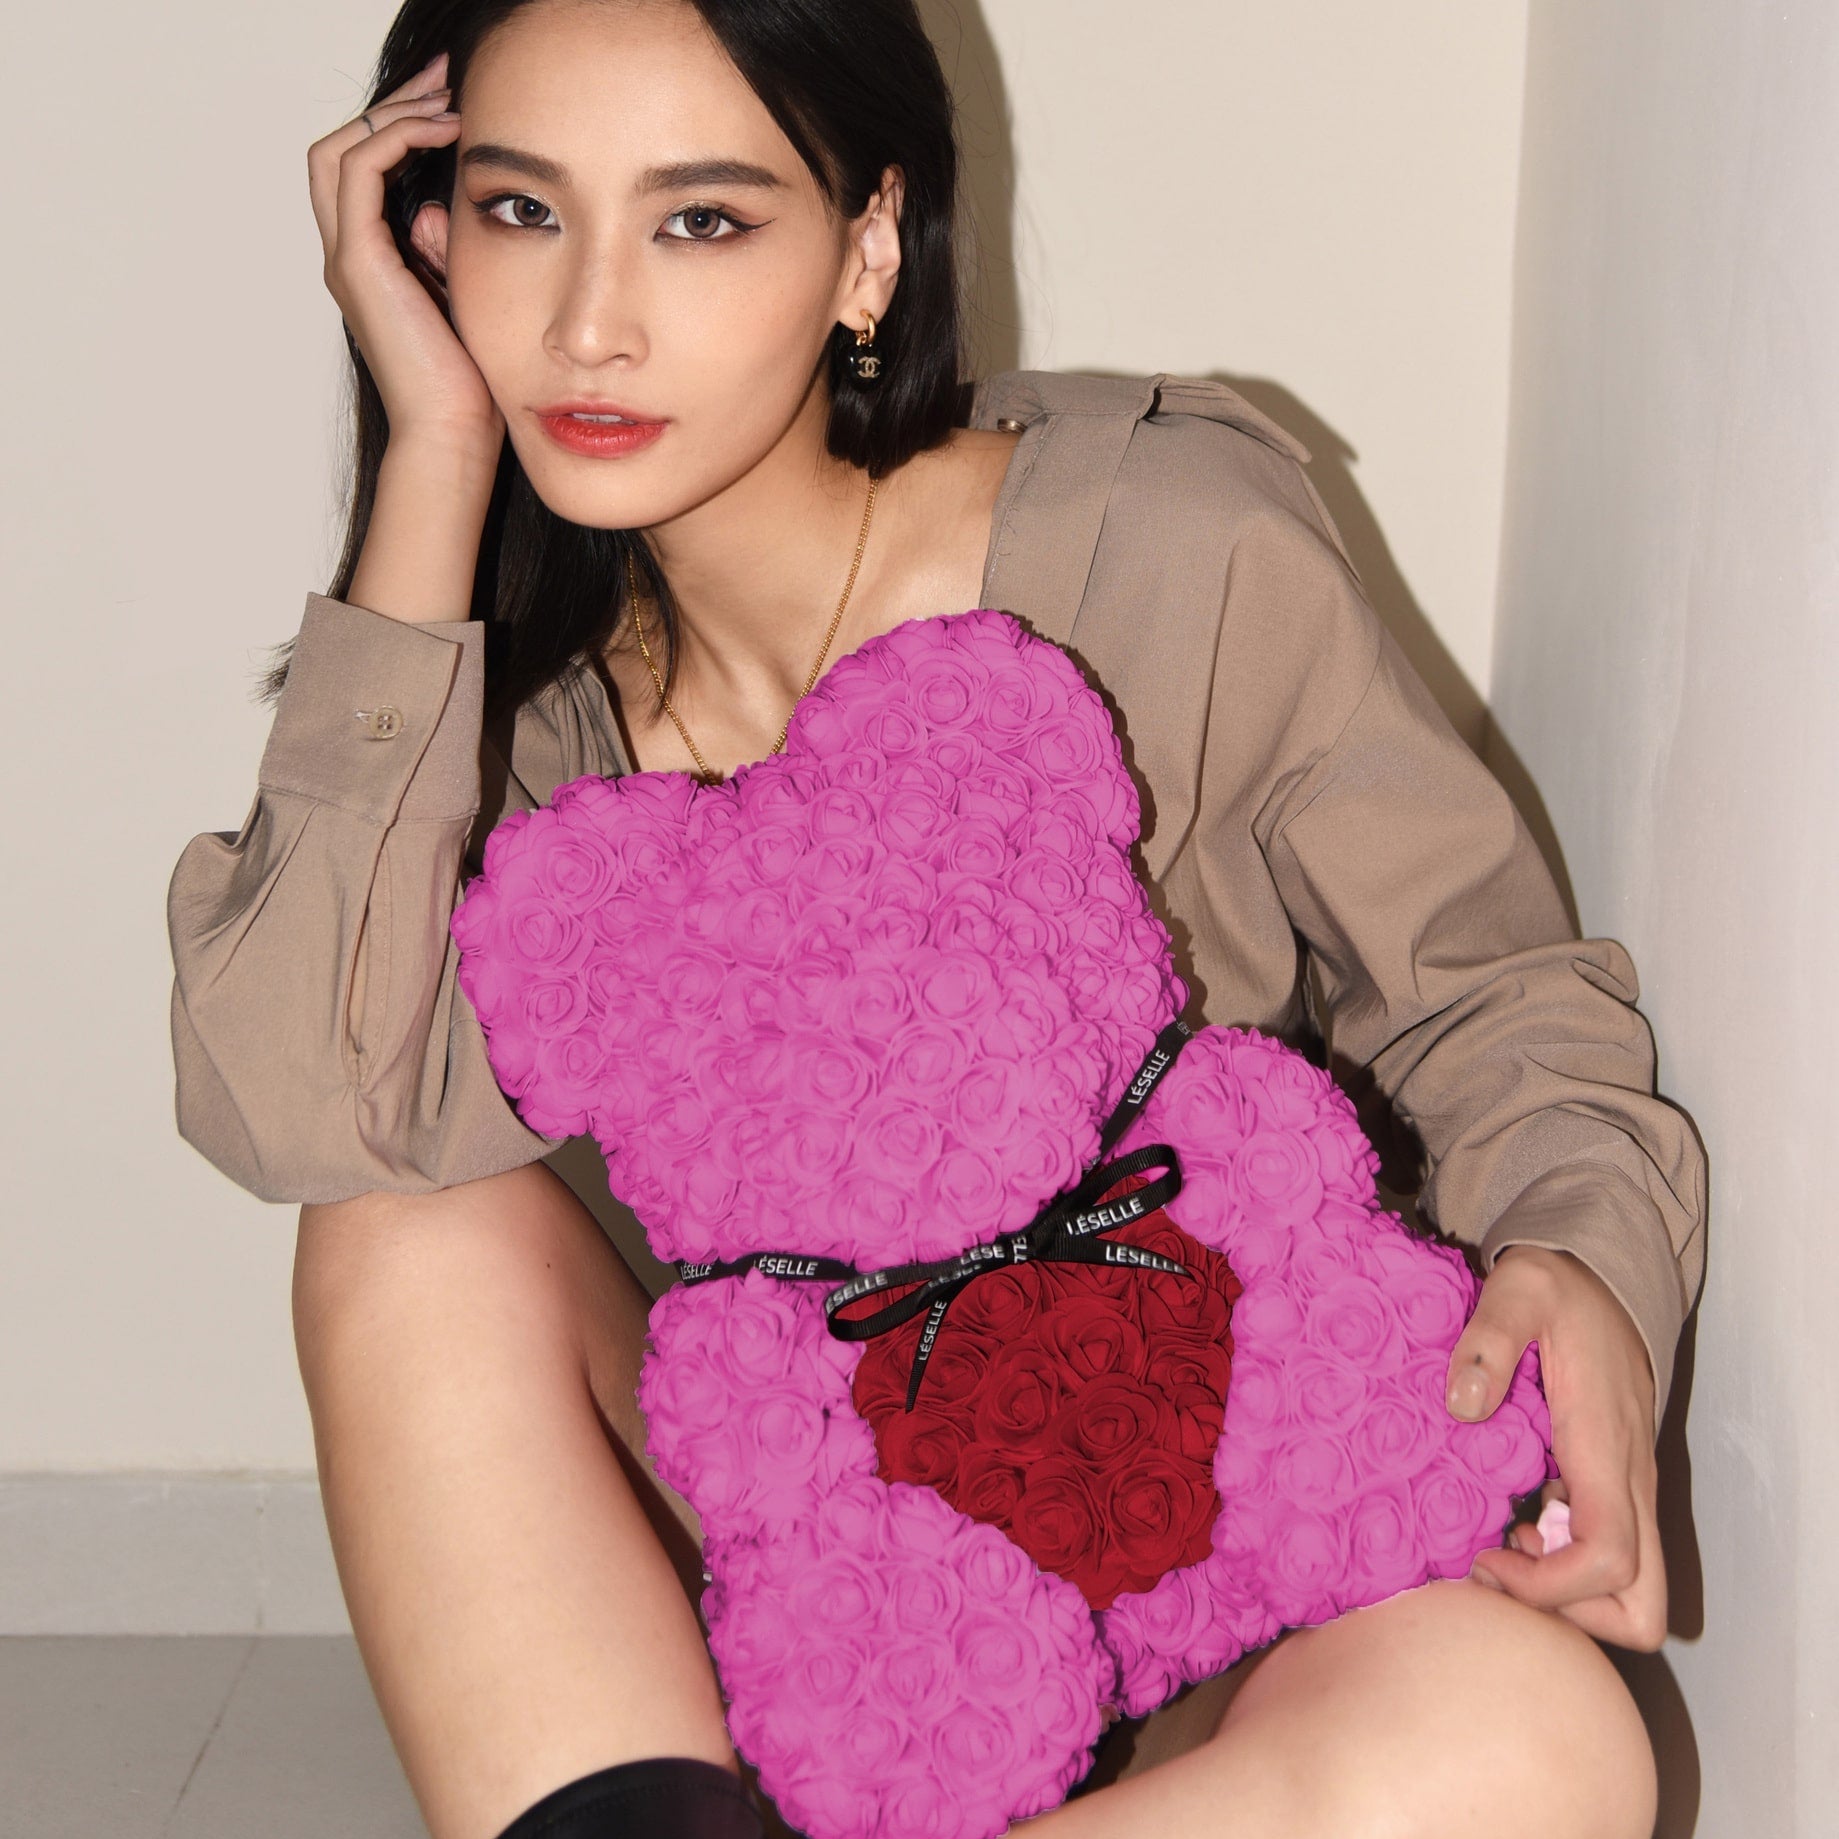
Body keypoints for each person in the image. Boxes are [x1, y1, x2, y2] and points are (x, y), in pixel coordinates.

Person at [167, 3, 1703, 1836]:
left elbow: (1487, 996)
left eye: (700, 219)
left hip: (1227, 1538)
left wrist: (1586, 1258)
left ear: (869, 244)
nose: (588, 323)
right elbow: (301, 1106)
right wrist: (432, 450)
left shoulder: (1167, 552)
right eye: (521, 213)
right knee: (400, 1234)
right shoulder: (519, 734)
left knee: (1540, 1739)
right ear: (428, 243)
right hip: (832, 1603)